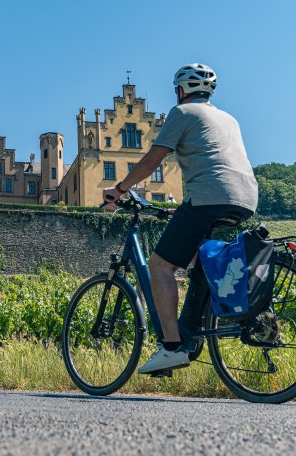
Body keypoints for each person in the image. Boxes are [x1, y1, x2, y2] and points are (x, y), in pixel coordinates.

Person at [103, 63, 258, 374]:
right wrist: (185, 207)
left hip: (208, 198)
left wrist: (119, 189)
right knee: (201, 263)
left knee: (161, 266)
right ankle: (192, 331)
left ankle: (171, 347)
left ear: (181, 90)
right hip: (245, 199)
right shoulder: (229, 119)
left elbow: (152, 161)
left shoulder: (182, 113)